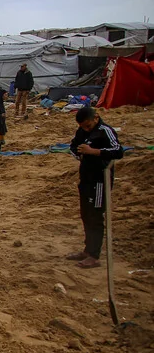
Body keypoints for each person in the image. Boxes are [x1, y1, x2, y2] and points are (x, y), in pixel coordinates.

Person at [66, 107, 123, 269]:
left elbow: (118, 151)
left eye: (88, 126)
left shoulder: (105, 131)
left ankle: (94, 255)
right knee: (86, 214)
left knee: (95, 216)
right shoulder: (82, 131)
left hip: (100, 180)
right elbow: (73, 146)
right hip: (86, 178)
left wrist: (93, 151)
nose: (85, 129)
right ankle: (87, 249)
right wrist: (79, 154)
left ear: (96, 118)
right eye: (83, 126)